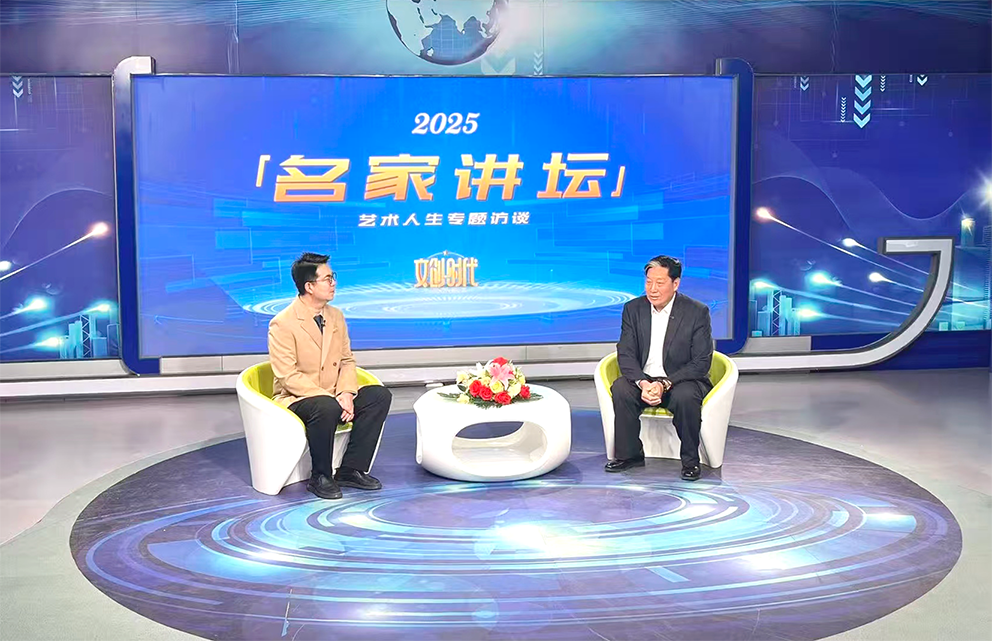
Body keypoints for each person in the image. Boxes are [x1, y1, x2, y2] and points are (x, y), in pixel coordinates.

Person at [268, 252, 392, 499]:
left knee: (378, 396)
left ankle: (351, 469)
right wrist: (332, 398)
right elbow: (288, 376)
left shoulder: (336, 316)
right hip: (299, 398)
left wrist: (346, 393)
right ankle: (320, 476)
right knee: (326, 406)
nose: (334, 283)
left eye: (332, 277)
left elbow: (346, 360)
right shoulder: (282, 323)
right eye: (327, 279)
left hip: (333, 395)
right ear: (309, 286)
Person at [607, 255, 713, 481]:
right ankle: (629, 455)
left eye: (660, 283)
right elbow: (625, 353)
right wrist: (644, 383)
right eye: (648, 282)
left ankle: (691, 461)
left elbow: (701, 362)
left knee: (686, 397)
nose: (652, 289)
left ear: (675, 284)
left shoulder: (696, 311)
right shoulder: (633, 309)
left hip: (680, 380)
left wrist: (665, 383)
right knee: (621, 389)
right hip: (645, 379)